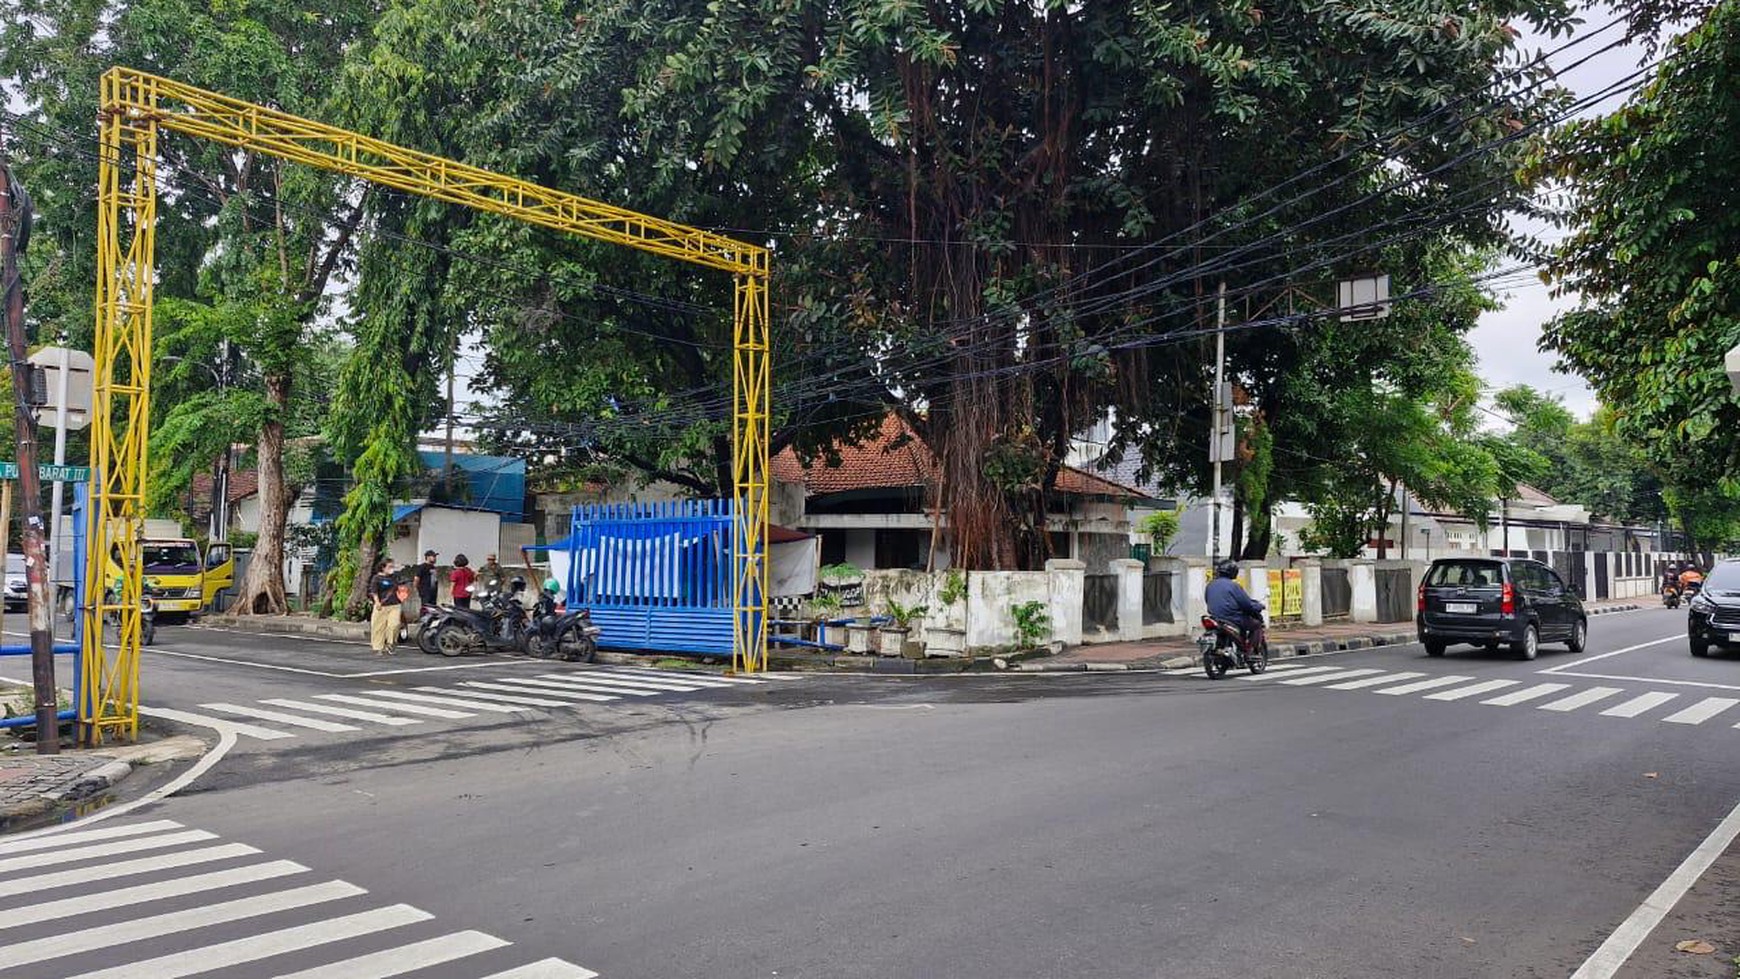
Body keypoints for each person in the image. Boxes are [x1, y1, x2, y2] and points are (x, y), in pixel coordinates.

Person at [1205, 560, 1265, 642]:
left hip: (1215, 618)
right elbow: (1246, 604)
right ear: (1233, 572)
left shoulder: (1210, 585)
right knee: (1257, 625)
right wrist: (1259, 606)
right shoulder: (1233, 586)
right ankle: (1253, 652)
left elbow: (1207, 600)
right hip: (1233, 618)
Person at [370, 558, 402, 656]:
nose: (392, 568)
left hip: (395, 605)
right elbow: (374, 591)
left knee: (394, 625)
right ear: (383, 567)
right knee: (378, 627)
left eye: (392, 566)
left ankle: (391, 643)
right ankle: (378, 647)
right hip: (382, 605)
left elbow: (400, 585)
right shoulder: (376, 578)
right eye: (390, 567)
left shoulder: (394, 577)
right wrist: (377, 602)